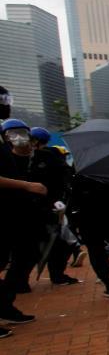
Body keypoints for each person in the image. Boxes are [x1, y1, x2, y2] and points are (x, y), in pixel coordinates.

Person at [0, 118, 48, 330]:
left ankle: (4, 304)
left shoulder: (38, 157)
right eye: (12, 134)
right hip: (5, 214)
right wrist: (27, 186)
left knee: (28, 254)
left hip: (24, 214)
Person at [28, 127, 79, 285]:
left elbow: (65, 176)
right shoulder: (18, 158)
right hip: (34, 208)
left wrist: (60, 198)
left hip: (51, 206)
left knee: (60, 242)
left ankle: (56, 275)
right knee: (39, 245)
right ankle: (20, 280)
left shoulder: (48, 156)